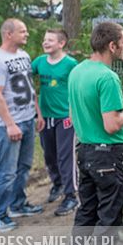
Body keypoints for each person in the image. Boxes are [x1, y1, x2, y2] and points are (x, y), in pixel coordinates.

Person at [68, 21, 123, 245]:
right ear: (112, 46)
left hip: (85, 151)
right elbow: (112, 124)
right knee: (109, 219)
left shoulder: (77, 71)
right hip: (109, 156)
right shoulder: (107, 77)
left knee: (86, 214)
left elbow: (74, 112)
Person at [0, 19, 44, 232]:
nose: (27, 34)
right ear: (8, 34)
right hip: (8, 124)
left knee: (23, 167)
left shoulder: (24, 56)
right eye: (23, 31)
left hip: (28, 119)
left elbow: (30, 87)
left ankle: (17, 205)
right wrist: (10, 124)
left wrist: (38, 113)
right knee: (6, 172)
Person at [31, 29, 79, 215]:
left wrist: (73, 113)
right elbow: (26, 81)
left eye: (50, 40)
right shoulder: (39, 62)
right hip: (45, 116)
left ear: (61, 44)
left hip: (65, 117)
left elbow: (78, 87)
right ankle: (57, 184)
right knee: (49, 155)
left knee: (65, 156)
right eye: (44, 39)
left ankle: (71, 196)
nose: (45, 42)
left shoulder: (70, 64)